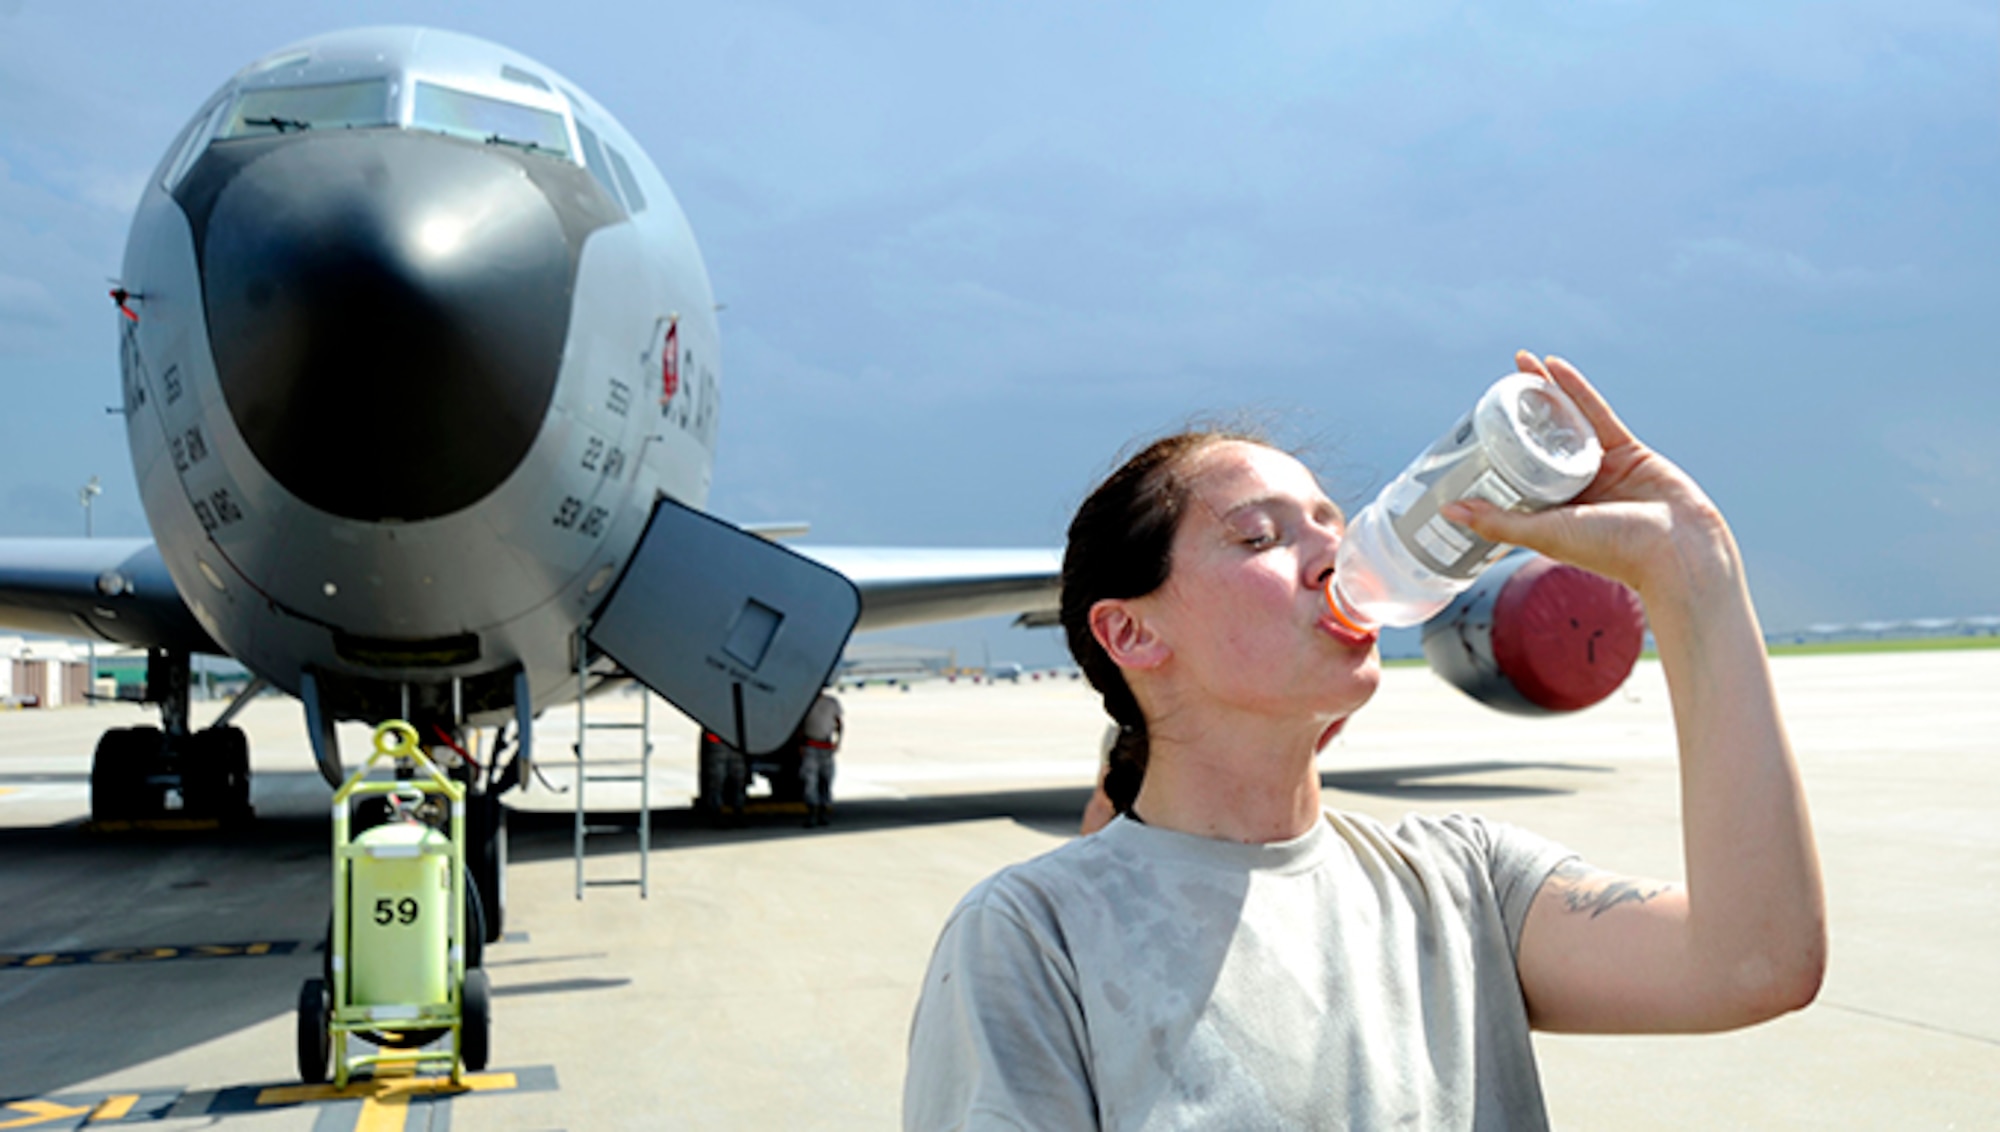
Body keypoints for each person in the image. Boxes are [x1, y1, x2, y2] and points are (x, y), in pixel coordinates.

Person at [903, 352, 1825, 1130]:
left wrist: (1694, 567)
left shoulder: (1465, 885)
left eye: (1332, 527)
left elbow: (1756, 962)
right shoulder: (1032, 937)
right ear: (1133, 635)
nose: (1330, 558)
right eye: (1260, 537)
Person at [798, 689, 843, 827]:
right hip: (811, 744)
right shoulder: (805, 702)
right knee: (810, 780)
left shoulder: (831, 702)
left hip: (826, 745)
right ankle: (812, 813)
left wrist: (838, 741)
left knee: (826, 779)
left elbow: (839, 724)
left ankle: (823, 813)